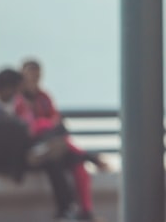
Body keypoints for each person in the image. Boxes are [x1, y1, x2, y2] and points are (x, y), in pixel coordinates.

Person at [0, 67, 78, 219]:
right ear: (7, 88)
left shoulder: (13, 104)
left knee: (53, 159)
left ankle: (65, 209)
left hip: (17, 154)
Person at [16, 58, 106, 221]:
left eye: (37, 75)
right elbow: (27, 127)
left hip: (52, 146)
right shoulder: (17, 100)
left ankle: (85, 211)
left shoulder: (44, 97)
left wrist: (48, 125)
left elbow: (55, 121)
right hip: (32, 150)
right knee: (54, 157)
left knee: (77, 164)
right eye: (30, 75)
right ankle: (65, 208)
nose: (34, 79)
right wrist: (45, 125)